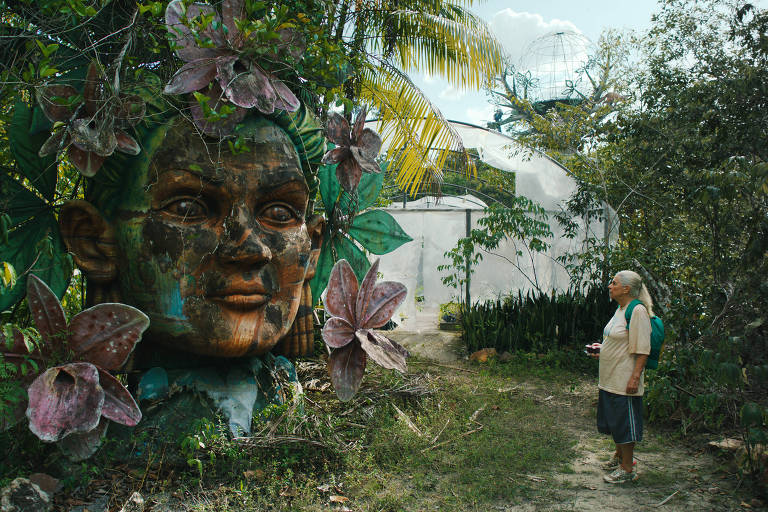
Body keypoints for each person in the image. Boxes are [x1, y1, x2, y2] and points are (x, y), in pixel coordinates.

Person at [592, 270, 652, 484]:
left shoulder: (637, 311)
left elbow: (643, 348)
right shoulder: (621, 309)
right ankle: (619, 457)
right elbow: (618, 339)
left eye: (614, 283)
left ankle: (628, 468)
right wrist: (602, 348)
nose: (610, 286)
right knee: (615, 422)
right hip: (610, 378)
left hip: (624, 379)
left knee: (625, 424)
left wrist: (635, 378)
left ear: (626, 288)